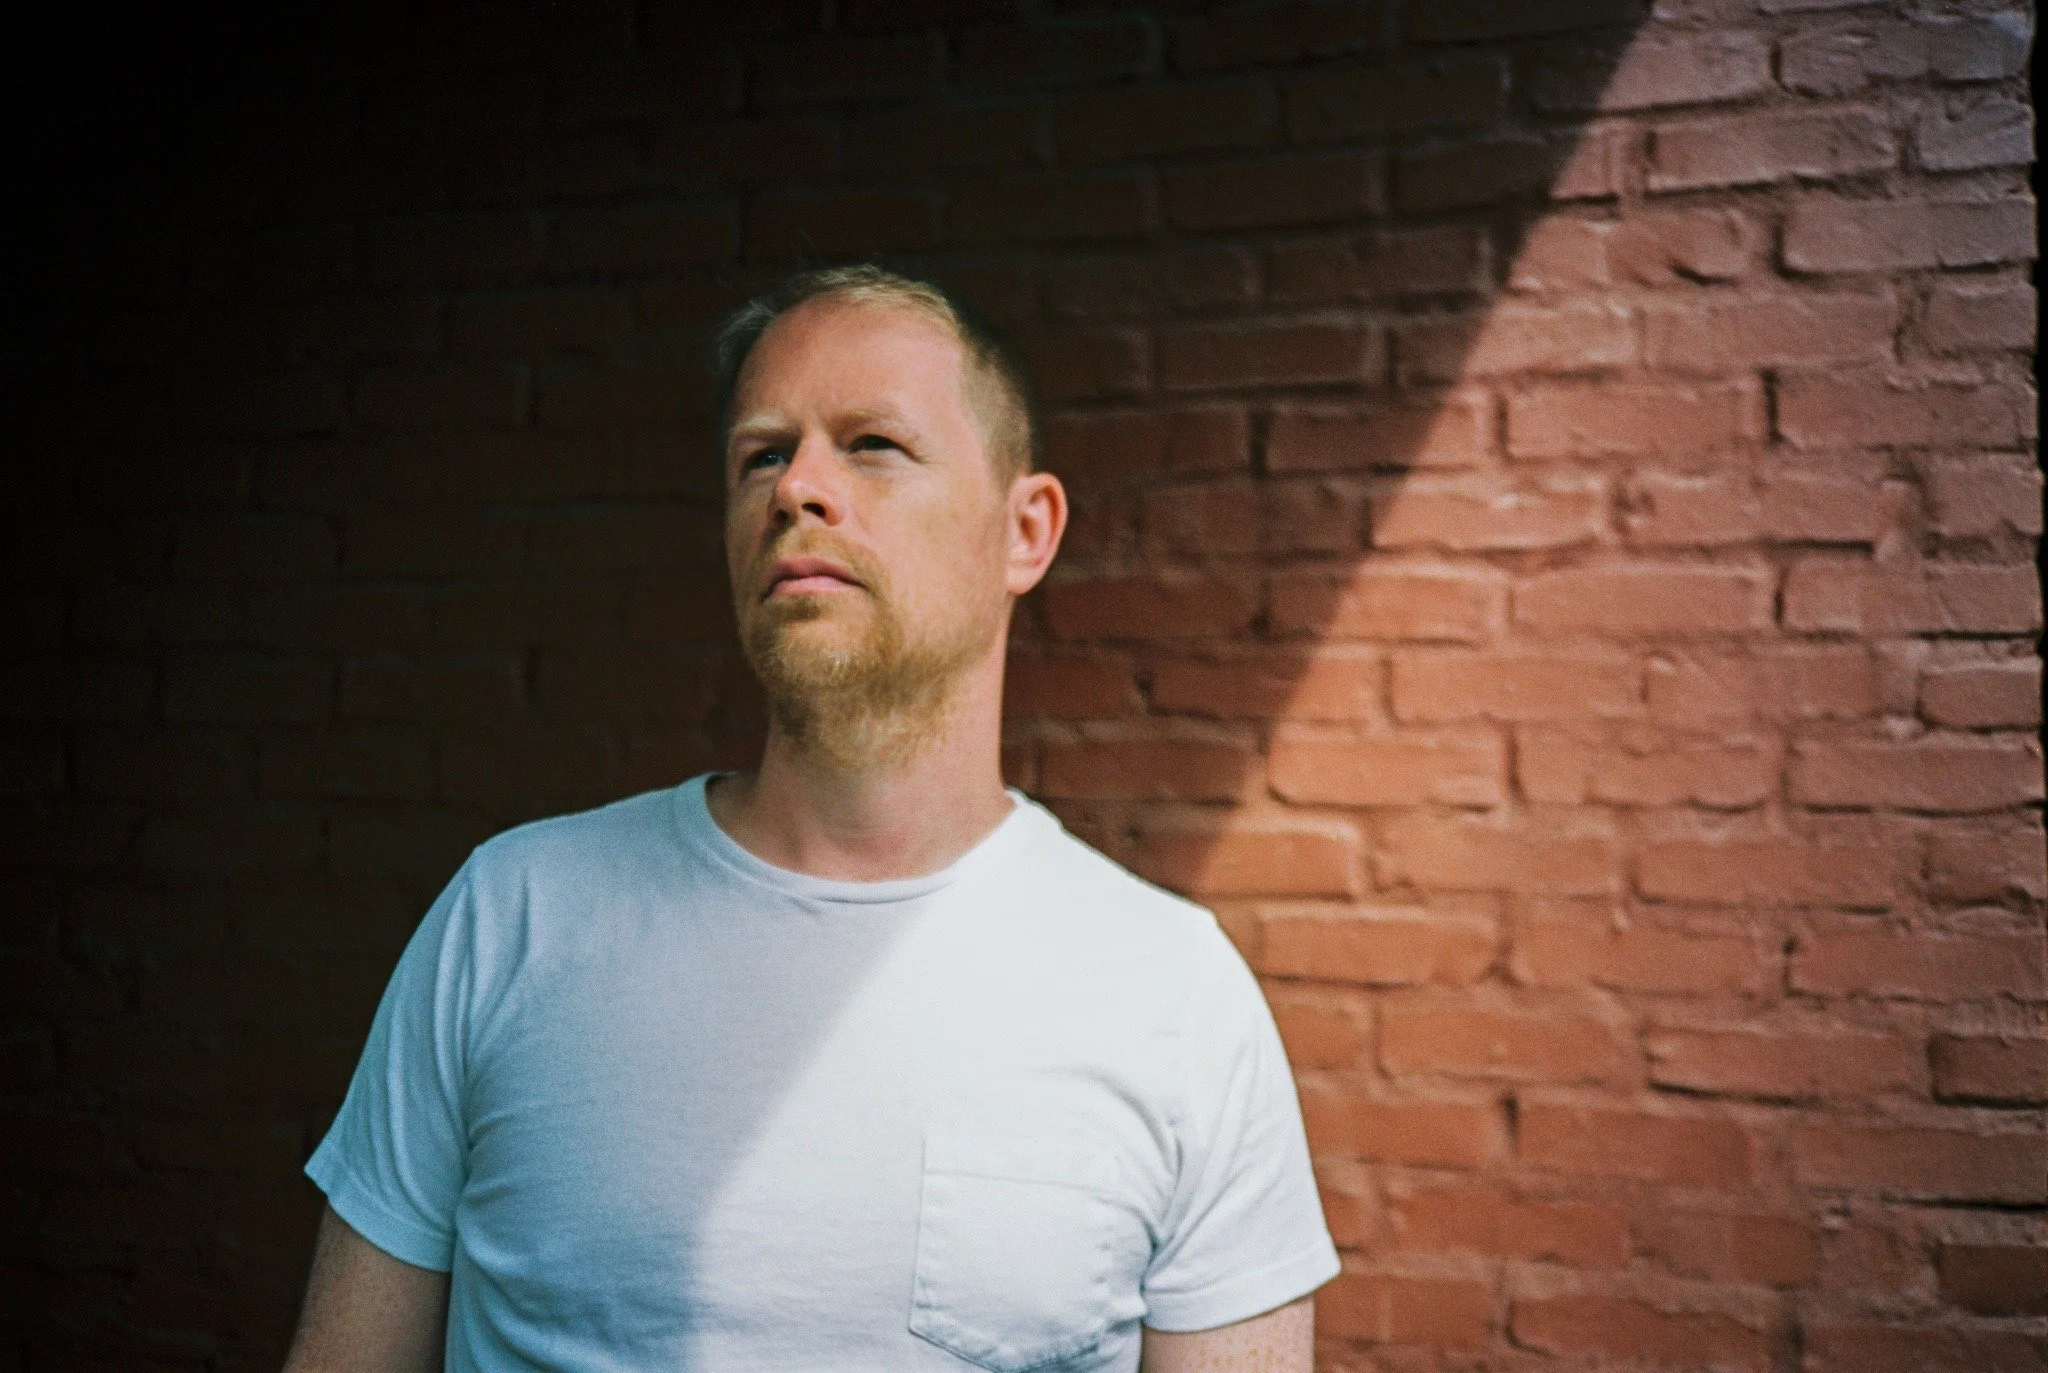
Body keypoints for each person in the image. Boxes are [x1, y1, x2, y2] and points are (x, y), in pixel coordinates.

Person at [282, 264, 1339, 1372]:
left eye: (872, 444)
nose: (798, 489)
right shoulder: (514, 914)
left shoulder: (1170, 990)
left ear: (1025, 530)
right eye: (761, 453)